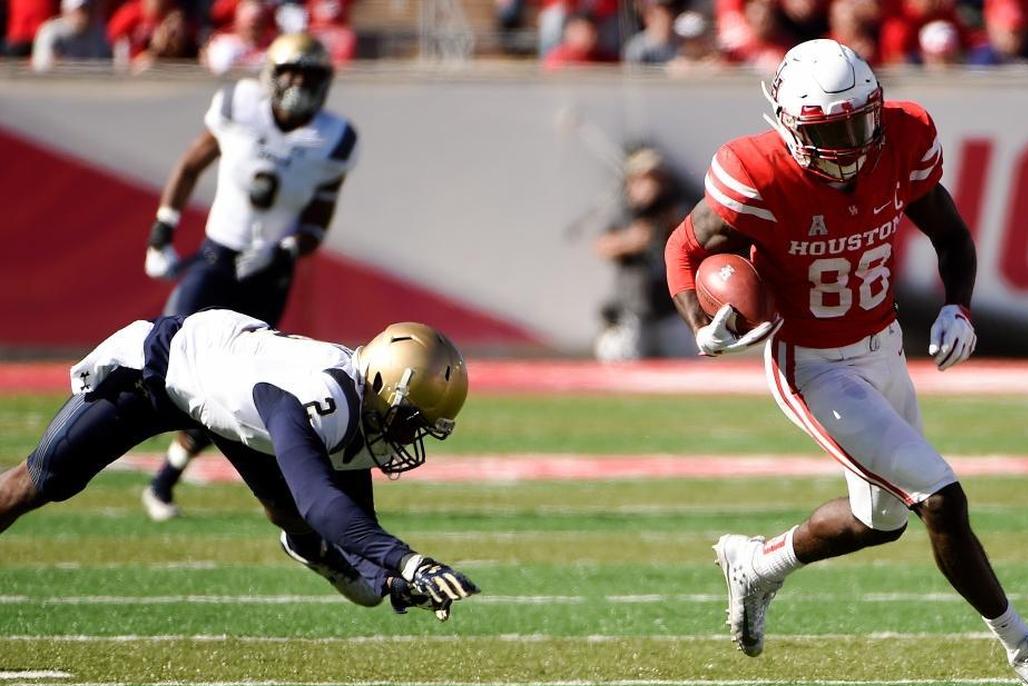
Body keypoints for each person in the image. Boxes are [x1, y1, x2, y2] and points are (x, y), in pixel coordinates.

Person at [663, 39, 1028, 686]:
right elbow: (684, 246)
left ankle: (758, 562)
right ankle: (1026, 647)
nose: (852, 142)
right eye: (831, 130)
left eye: (861, 122)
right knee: (940, 498)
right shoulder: (756, 172)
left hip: (882, 343)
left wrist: (958, 305)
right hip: (812, 367)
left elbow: (950, 234)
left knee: (881, 520)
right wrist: (698, 320)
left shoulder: (902, 138)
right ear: (788, 122)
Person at [0, 309, 479, 619]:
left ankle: (308, 549)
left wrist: (393, 579)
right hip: (163, 372)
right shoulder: (323, 397)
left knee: (329, 544)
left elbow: (353, 518)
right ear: (381, 385)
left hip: (231, 398)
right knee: (35, 483)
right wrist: (411, 561)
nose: (407, 438)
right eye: (407, 422)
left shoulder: (361, 402)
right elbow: (320, 501)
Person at [141, 32, 357, 522]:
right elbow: (192, 163)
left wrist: (285, 249)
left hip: (269, 272)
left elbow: (318, 221)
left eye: (311, 75)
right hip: (218, 257)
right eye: (292, 72)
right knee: (164, 352)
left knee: (235, 384)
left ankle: (164, 481)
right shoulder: (241, 105)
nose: (300, 83)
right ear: (272, 75)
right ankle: (93, 441)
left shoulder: (333, 139)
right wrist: (163, 230)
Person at [594, 147, 693, 361]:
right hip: (633, 309)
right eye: (644, 179)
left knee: (681, 362)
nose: (651, 186)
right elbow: (603, 245)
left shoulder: (675, 206)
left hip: (670, 308)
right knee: (626, 358)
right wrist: (632, 240)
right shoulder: (623, 212)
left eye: (656, 178)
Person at [30, 0, 113, 71]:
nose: (84, 16)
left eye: (88, 10)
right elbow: (43, 69)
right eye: (80, 10)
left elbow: (106, 65)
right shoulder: (50, 33)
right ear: (66, 11)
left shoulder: (99, 32)